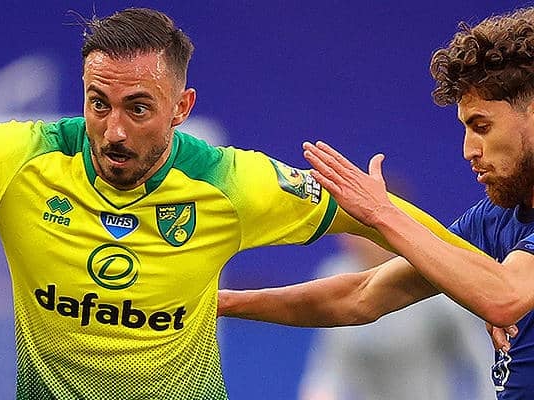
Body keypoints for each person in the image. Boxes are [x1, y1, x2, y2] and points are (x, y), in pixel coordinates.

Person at [0, 8, 481, 400]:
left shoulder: (230, 183)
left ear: (182, 107)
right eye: (99, 103)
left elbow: (385, 221)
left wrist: (483, 272)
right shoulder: (20, 160)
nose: (114, 130)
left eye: (139, 108)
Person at [218, 6, 534, 399]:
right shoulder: (494, 220)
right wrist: (224, 303)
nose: (469, 150)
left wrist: (382, 213)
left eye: (482, 126)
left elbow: (504, 298)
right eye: (466, 129)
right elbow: (361, 295)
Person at [299, 233, 494, 400]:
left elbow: (481, 359)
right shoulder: (334, 279)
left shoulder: (432, 281)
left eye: (362, 228)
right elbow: (330, 365)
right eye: (348, 229)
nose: (356, 239)